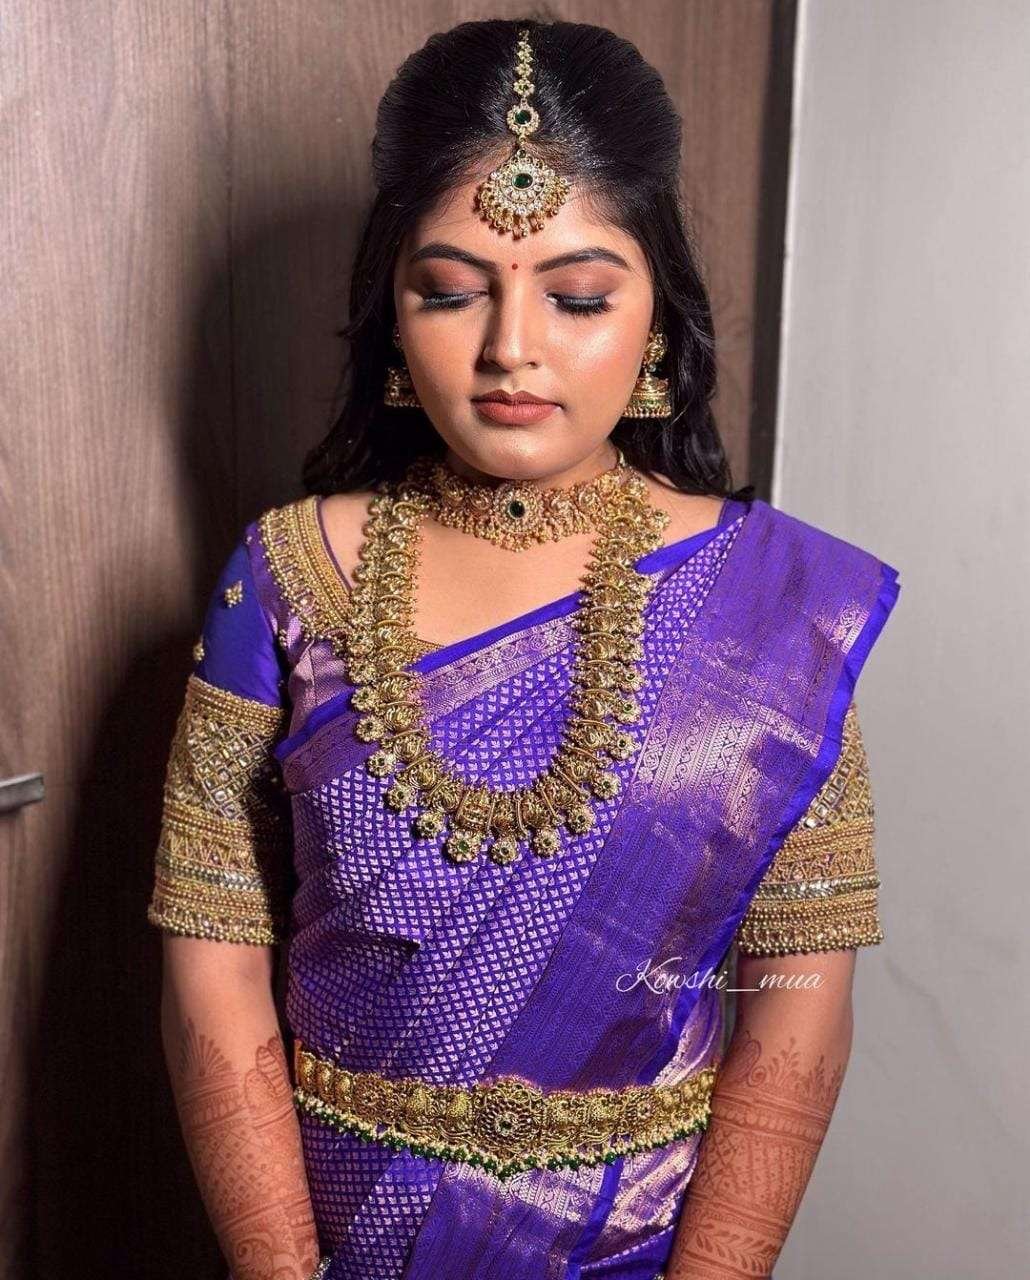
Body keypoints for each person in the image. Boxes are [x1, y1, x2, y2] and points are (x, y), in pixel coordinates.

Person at [147, 18, 901, 1280]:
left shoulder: (777, 607)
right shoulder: (283, 576)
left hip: (634, 1244)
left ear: (655, 318)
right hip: (341, 1233)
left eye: (579, 296)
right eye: (450, 291)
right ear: (392, 315)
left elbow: (797, 1008)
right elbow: (210, 966)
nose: (511, 346)